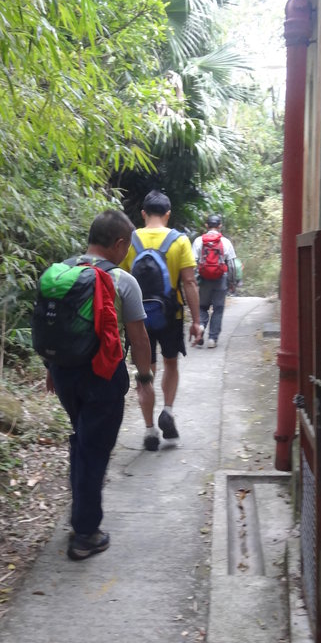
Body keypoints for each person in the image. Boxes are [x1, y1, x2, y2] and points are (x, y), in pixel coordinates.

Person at [45, 210, 154, 560]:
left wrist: (51, 367)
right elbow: (139, 337)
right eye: (128, 245)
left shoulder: (62, 272)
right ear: (119, 244)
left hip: (64, 373)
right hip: (102, 377)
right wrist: (144, 377)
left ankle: (80, 512)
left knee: (82, 439)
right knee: (94, 450)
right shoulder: (123, 280)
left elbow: (51, 327)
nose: (127, 252)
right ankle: (85, 534)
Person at [120, 190, 202, 450]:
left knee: (145, 373)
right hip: (170, 315)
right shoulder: (179, 241)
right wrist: (196, 321)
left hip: (137, 318)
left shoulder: (129, 241)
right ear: (168, 214)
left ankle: (149, 431)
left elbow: (119, 282)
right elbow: (189, 282)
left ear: (143, 213)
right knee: (170, 363)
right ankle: (167, 410)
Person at [191, 212, 237, 349]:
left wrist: (194, 281)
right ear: (220, 226)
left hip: (203, 279)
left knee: (202, 306)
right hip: (220, 279)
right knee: (218, 309)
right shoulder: (225, 242)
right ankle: (212, 339)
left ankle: (201, 326)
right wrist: (232, 283)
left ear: (206, 225)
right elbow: (232, 266)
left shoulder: (199, 241)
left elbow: (193, 263)